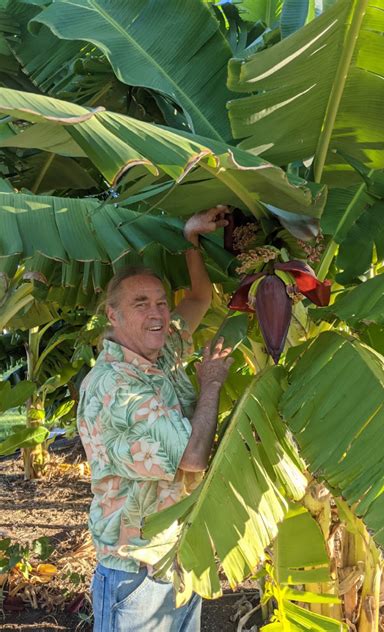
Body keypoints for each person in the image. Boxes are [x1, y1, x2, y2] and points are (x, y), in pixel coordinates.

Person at [77, 207, 233, 632]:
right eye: (141, 303)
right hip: (137, 570)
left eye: (162, 303)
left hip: (177, 555)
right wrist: (213, 383)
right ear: (113, 315)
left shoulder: (162, 351)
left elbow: (200, 297)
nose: (158, 313)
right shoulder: (116, 386)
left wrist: (191, 239)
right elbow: (192, 457)